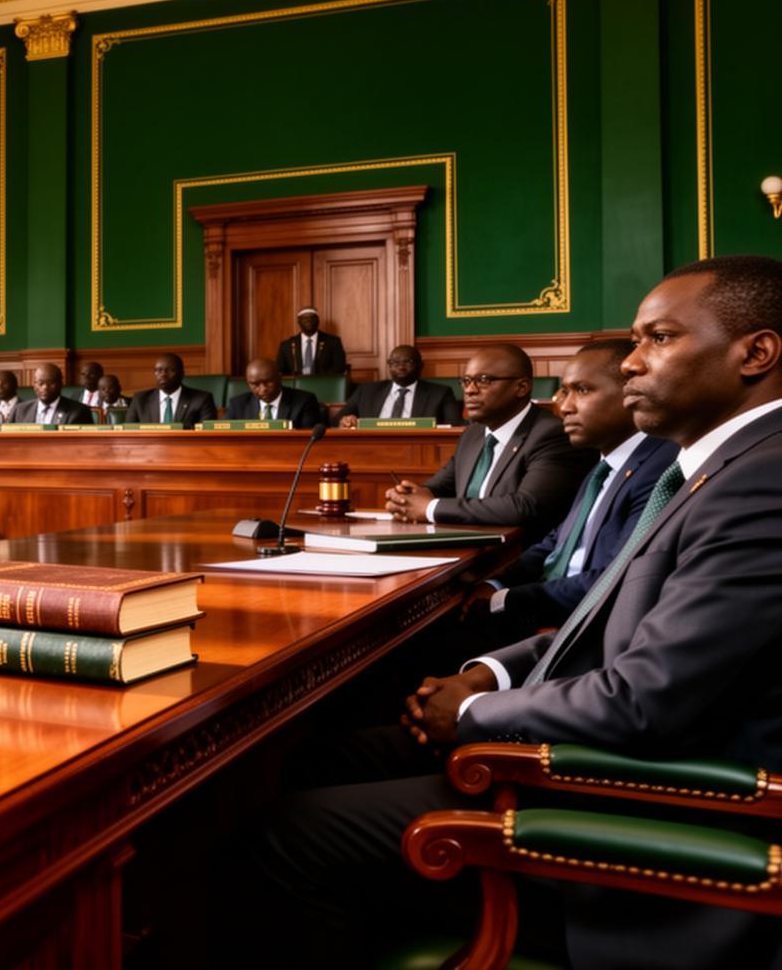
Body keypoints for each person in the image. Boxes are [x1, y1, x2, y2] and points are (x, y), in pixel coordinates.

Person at [242, 256, 782, 967]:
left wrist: (470, 717)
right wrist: (487, 678)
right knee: (315, 761)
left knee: (286, 834)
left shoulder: (760, 482)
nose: (631, 364)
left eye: (659, 339)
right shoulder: (717, 467)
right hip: (588, 746)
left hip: (642, 808)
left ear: (757, 352)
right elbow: (603, 617)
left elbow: (645, 700)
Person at [462, 339, 677, 647]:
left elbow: (615, 578)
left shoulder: (660, 467)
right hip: (546, 605)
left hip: (583, 628)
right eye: (564, 391)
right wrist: (496, 581)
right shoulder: (603, 462)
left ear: (631, 392)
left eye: (583, 390)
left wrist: (505, 598)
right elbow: (559, 541)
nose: (564, 407)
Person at [384, 343, 591, 541]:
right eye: (466, 381)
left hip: (517, 559)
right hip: (464, 549)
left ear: (521, 387)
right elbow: (440, 486)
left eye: (483, 380)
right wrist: (406, 498)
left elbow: (526, 507)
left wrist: (429, 508)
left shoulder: (551, 434)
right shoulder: (473, 434)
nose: (470, 390)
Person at [339, 346, 462, 426]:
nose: (401, 367)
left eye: (408, 362)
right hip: (372, 448)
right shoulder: (366, 391)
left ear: (420, 366)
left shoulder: (440, 393)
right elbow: (336, 420)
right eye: (395, 362)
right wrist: (345, 421)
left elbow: (453, 425)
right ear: (389, 365)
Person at [223, 358, 325, 429]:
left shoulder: (304, 401)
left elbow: (308, 439)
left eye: (268, 382)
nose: (262, 389)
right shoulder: (238, 404)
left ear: (280, 378)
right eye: (255, 384)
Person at [126, 353, 218, 428]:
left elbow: (207, 434)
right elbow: (128, 432)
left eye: (170, 370)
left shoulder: (202, 399)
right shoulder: (140, 400)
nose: (163, 374)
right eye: (158, 370)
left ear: (182, 374)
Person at [11, 364, 93, 425]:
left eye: (51, 383)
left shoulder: (79, 411)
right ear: (34, 385)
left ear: (61, 384)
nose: (45, 387)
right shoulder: (20, 410)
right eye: (40, 383)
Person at [274, 307, 347, 376]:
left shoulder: (333, 342)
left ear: (318, 320)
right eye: (304, 318)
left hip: (325, 385)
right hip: (295, 386)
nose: (309, 320)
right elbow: (279, 370)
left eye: (312, 317)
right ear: (298, 322)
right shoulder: (287, 345)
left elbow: (339, 367)